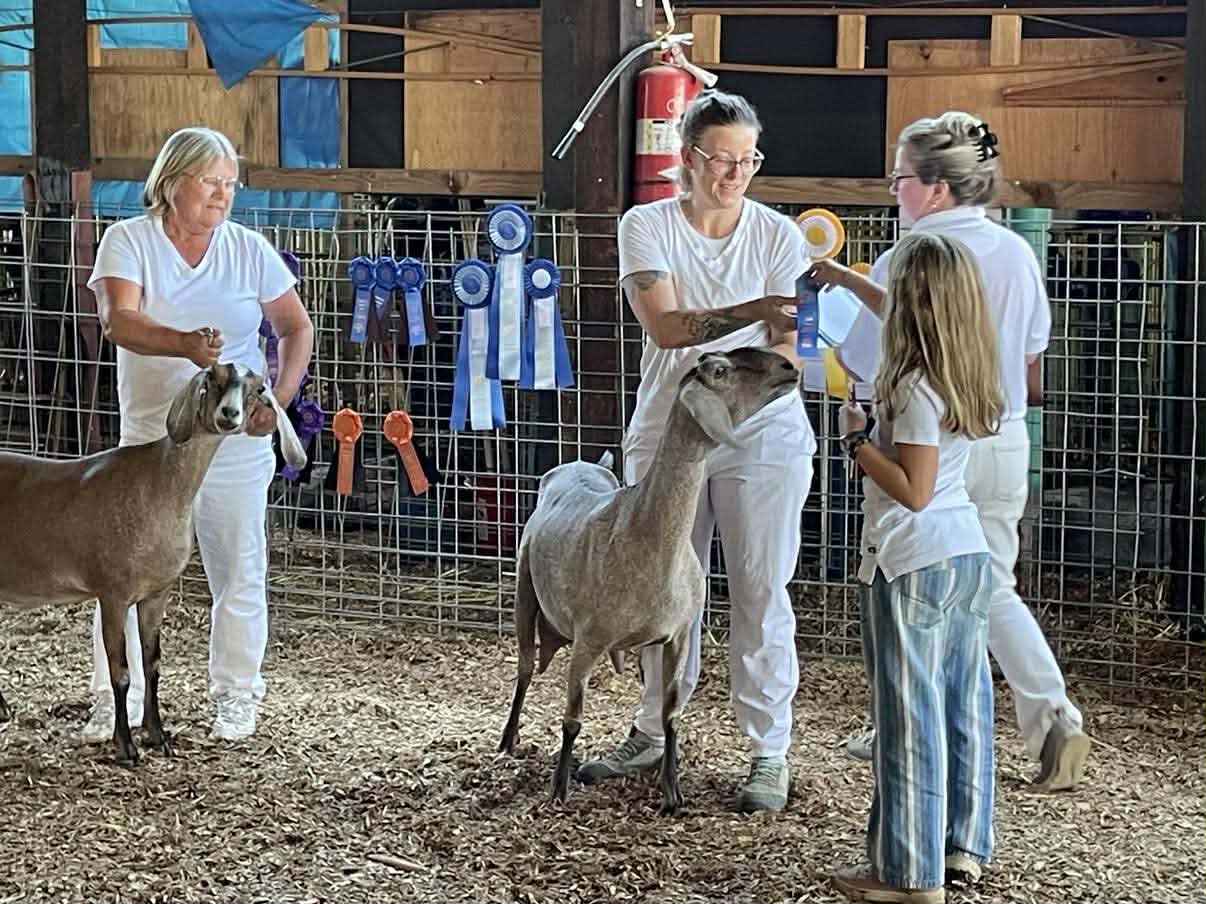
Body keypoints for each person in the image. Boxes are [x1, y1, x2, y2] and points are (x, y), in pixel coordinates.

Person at [810, 111, 1091, 791]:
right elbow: (1031, 364)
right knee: (991, 584)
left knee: (906, 585)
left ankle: (911, 724)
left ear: (935, 188)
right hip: (1005, 436)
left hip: (924, 440)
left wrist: (820, 347)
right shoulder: (1017, 252)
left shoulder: (909, 255)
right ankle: (1046, 714)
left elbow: (864, 358)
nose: (894, 191)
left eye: (900, 179)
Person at [574, 90, 814, 813]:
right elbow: (667, 328)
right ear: (688, 157)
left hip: (762, 431)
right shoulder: (646, 225)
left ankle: (769, 749)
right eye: (721, 159)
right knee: (660, 585)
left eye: (747, 160)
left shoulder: (779, 234)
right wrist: (748, 316)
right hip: (672, 429)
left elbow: (790, 352)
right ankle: (653, 726)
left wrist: (756, 348)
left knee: (760, 587)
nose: (734, 173)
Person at [82, 126, 314, 742]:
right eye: (210, 181)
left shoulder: (247, 248)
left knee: (239, 563)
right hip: (150, 442)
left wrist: (279, 401)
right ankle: (116, 697)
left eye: (230, 184)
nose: (222, 194)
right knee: (121, 566)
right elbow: (118, 321)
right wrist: (185, 345)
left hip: (233, 440)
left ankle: (237, 693)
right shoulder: (127, 240)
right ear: (170, 181)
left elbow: (295, 328)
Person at [831, 231, 1003, 903]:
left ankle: (907, 874)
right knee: (964, 704)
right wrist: (846, 281)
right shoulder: (967, 369)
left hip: (910, 557)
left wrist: (854, 441)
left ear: (914, 301)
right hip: (964, 553)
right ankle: (962, 844)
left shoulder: (912, 386)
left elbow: (912, 487)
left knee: (907, 718)